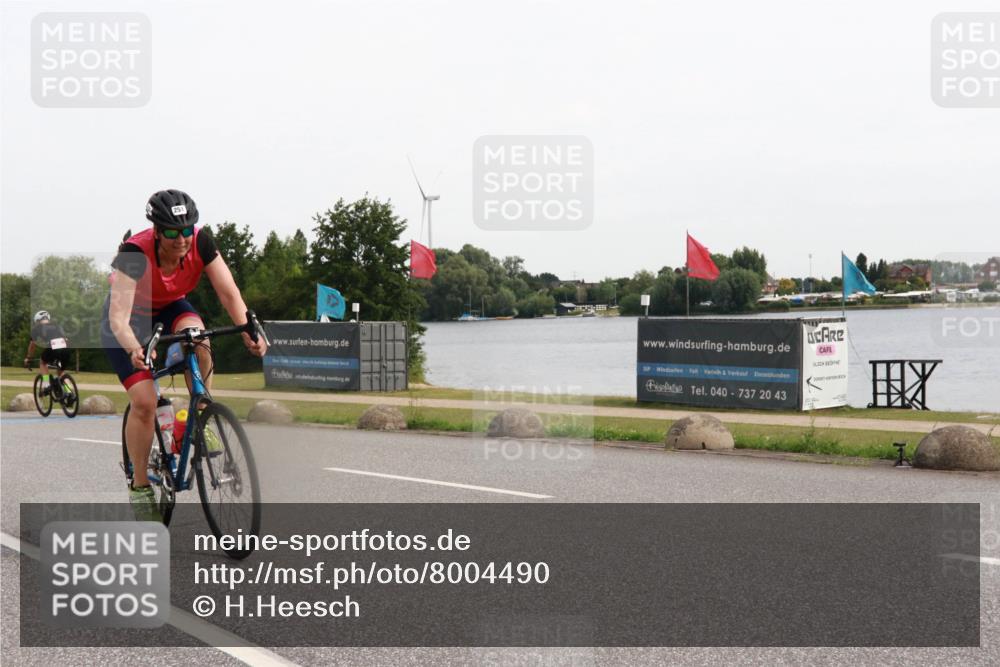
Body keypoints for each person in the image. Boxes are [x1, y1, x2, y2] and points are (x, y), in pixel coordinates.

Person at [102, 189, 266, 522]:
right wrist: (135, 347)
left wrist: (249, 327)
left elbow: (228, 292)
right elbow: (118, 318)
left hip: (171, 307)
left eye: (187, 231)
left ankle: (200, 413)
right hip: (129, 317)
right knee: (146, 401)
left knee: (200, 338)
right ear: (158, 231)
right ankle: (140, 485)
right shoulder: (134, 253)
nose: (182, 240)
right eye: (173, 232)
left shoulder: (202, 243)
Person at [24, 311, 74, 400]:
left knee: (43, 362)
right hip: (66, 348)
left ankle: (46, 385)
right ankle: (69, 392)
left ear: (37, 321)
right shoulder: (57, 325)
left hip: (53, 346)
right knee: (61, 373)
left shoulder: (36, 328)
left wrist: (28, 358)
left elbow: (32, 345)